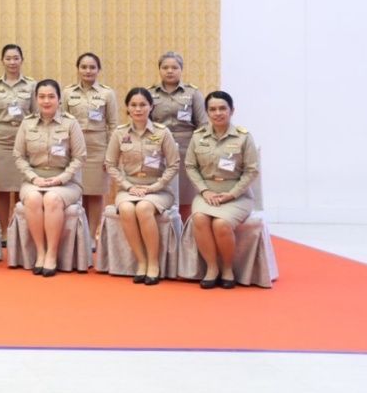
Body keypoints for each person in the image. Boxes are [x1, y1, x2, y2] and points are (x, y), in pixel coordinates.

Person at [104, 87, 181, 285]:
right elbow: (110, 164)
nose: (138, 109)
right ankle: (141, 261)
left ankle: (153, 263)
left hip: (158, 190)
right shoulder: (119, 133)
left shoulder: (163, 133)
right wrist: (128, 186)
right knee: (127, 209)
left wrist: (155, 187)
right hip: (129, 188)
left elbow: (174, 165)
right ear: (127, 108)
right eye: (134, 105)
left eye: (143, 105)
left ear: (151, 106)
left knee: (144, 207)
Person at [186, 91, 260, 289]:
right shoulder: (198, 136)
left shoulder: (243, 137)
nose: (217, 113)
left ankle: (227, 268)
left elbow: (252, 171)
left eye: (222, 108)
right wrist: (204, 191)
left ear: (231, 110)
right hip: (207, 194)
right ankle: (212, 268)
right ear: (207, 112)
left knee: (221, 223)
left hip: (237, 195)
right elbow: (190, 167)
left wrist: (232, 194)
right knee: (199, 218)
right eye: (212, 109)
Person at [15, 79, 87, 277]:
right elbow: (19, 156)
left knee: (52, 198)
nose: (46, 101)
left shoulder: (70, 123)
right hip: (34, 180)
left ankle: (52, 254)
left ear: (59, 99)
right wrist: (33, 178)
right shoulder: (27, 123)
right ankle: (40, 252)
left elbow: (80, 157)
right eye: (42, 97)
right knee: (33, 198)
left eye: (51, 96)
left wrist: (61, 179)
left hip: (66, 183)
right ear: (36, 99)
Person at [61, 52, 118, 240]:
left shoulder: (107, 93)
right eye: (84, 67)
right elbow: (62, 122)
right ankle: (80, 234)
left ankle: (92, 236)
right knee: (77, 193)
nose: (88, 71)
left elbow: (113, 125)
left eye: (92, 67)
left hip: (97, 149)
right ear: (78, 69)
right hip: (74, 149)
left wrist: (111, 155)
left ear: (98, 70)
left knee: (95, 193)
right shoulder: (68, 92)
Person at [0, 44, 36, 235]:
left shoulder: (31, 85)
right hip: (1, 141)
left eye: (16, 58)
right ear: (2, 61)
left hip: (24, 142)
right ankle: (4, 231)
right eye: (8, 58)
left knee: (24, 188)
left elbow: (36, 115)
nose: (12, 62)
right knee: (2, 188)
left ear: (22, 60)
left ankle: (21, 230)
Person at [149, 52, 208, 220]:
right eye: (165, 67)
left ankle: (184, 229)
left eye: (174, 67)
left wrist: (200, 151)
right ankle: (165, 229)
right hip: (158, 148)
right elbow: (145, 124)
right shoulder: (150, 93)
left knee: (185, 193)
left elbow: (203, 125)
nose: (170, 71)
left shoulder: (193, 93)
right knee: (159, 191)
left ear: (181, 69)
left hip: (186, 148)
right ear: (159, 70)